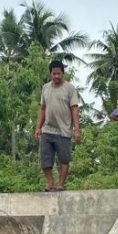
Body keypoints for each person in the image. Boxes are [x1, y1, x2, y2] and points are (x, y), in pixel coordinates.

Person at [34, 59, 82, 192]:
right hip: (48, 129)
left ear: (63, 74)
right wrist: (38, 127)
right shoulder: (45, 88)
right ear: (50, 74)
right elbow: (42, 108)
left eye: (58, 74)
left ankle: (60, 183)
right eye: (54, 74)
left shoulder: (70, 88)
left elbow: (74, 109)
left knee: (64, 159)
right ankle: (50, 182)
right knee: (45, 159)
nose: (56, 76)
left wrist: (76, 130)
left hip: (63, 130)